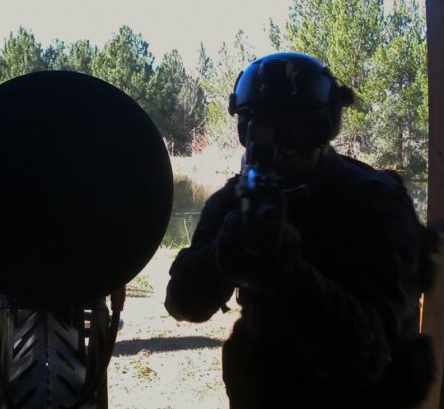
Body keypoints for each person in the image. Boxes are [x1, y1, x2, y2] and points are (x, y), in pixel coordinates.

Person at [164, 52, 435, 408]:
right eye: (261, 129)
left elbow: (370, 355)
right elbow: (183, 304)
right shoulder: (237, 199)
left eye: (297, 129)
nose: (280, 146)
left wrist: (287, 271)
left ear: (325, 128)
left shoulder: (374, 201)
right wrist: (220, 258)